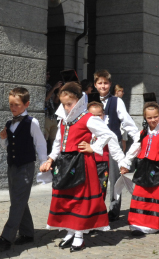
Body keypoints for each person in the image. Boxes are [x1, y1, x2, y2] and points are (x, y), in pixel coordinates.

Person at [39, 82, 117, 252]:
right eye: (64, 104)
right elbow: (58, 143)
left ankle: (79, 235)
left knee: (79, 199)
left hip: (82, 163)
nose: (67, 107)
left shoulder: (88, 118)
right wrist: (50, 160)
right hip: (65, 163)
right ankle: (70, 231)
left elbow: (108, 134)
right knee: (67, 199)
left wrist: (93, 148)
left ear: (79, 101)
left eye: (70, 104)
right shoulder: (63, 121)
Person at [121, 93, 159, 235]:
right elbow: (134, 149)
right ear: (145, 118)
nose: (153, 120)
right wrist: (126, 163)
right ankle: (139, 225)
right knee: (142, 196)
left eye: (155, 116)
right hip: (144, 168)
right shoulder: (142, 133)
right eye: (149, 118)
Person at [0, 88, 47, 251]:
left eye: (17, 105)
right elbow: (7, 146)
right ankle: (27, 233)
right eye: (11, 104)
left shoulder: (31, 122)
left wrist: (44, 161)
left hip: (26, 166)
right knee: (18, 200)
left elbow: (40, 143)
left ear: (26, 104)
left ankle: (6, 237)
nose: (13, 108)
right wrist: (3, 139)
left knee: (17, 201)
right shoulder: (8, 123)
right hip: (12, 166)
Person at [94, 70, 139, 222]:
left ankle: (113, 209)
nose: (103, 86)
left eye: (105, 83)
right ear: (95, 85)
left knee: (115, 178)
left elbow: (126, 121)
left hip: (113, 144)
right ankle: (97, 209)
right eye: (100, 83)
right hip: (95, 145)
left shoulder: (116, 101)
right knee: (96, 178)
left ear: (110, 84)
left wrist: (137, 137)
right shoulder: (88, 100)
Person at [87, 101, 128, 201]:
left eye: (99, 115)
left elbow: (116, 150)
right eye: (93, 115)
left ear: (103, 115)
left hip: (102, 164)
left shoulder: (107, 129)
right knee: (87, 190)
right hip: (87, 163)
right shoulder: (85, 128)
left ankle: (99, 212)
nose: (96, 118)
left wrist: (123, 163)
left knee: (101, 189)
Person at [45, 71, 63, 154]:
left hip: (53, 116)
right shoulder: (43, 86)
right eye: (47, 74)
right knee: (45, 138)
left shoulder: (49, 86)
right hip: (46, 115)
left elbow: (55, 101)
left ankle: (53, 159)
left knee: (54, 139)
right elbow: (46, 98)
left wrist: (59, 90)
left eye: (49, 74)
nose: (49, 76)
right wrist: (54, 88)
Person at [114, 85, 127, 152]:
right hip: (120, 126)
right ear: (117, 91)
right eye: (122, 91)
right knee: (123, 144)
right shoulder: (118, 100)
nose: (123, 93)